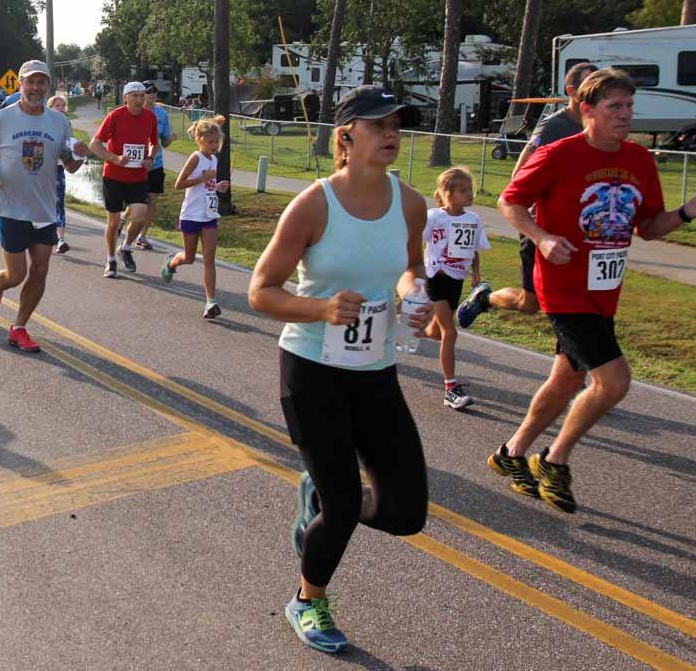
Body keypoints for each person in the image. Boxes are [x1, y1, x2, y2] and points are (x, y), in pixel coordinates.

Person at [487, 69, 696, 513]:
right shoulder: (558, 154)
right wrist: (541, 237)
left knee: (567, 378)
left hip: (604, 289)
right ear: (587, 110)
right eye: (614, 107)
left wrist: (688, 213)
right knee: (614, 381)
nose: (625, 115)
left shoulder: (640, 159)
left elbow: (651, 229)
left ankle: (511, 453)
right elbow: (510, 201)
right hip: (563, 288)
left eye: (629, 107)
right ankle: (554, 460)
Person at [247, 85, 433, 654]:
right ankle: (308, 600)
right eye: (379, 124)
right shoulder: (313, 205)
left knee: (406, 512)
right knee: (346, 505)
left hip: (375, 368)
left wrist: (414, 296)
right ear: (346, 137)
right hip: (311, 368)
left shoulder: (410, 202)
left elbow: (409, 267)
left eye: (397, 124)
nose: (392, 134)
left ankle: (318, 499)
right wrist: (321, 309)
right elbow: (260, 291)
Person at [457, 62, 598, 328]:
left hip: (576, 226)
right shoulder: (556, 125)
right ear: (571, 90)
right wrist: (525, 207)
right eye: (588, 84)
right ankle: (484, 298)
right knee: (530, 304)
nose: (595, 90)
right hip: (540, 224)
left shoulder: (596, 125)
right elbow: (523, 166)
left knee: (574, 299)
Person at [0, 60, 88, 352]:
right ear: (21, 84)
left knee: (39, 269)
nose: (36, 88)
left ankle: (19, 326)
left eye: (42, 82)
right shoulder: (2, 118)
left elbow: (71, 165)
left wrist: (82, 155)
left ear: (48, 86)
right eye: (31, 82)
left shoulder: (59, 121)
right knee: (16, 274)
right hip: (11, 207)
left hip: (44, 208)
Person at [421, 167, 491, 411]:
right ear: (447, 193)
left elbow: (472, 248)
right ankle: (450, 389)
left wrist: (476, 272)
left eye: (470, 190)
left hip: (457, 278)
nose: (469, 194)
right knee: (450, 333)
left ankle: (403, 328)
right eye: (463, 190)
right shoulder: (434, 217)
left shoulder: (473, 219)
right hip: (437, 278)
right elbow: (415, 240)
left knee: (437, 333)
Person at [161, 115, 231, 319]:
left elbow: (207, 186)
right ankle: (172, 263)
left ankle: (210, 302)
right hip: (191, 214)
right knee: (189, 258)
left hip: (208, 214)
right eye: (210, 142)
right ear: (200, 140)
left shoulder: (214, 159)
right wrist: (203, 178)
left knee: (210, 258)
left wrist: (217, 187)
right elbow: (179, 184)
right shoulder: (196, 158)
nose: (214, 146)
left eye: (216, 142)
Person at [88, 82, 159, 278]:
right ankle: (110, 260)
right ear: (126, 98)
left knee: (140, 215)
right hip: (114, 176)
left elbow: (155, 143)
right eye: (134, 95)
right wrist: (115, 158)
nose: (139, 99)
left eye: (141, 95)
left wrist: (151, 158)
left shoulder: (150, 117)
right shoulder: (115, 116)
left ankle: (125, 248)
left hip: (138, 176)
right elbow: (95, 144)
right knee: (113, 222)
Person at [129, 81, 174, 250]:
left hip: (156, 163)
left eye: (154, 92)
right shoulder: (134, 112)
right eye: (148, 92)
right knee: (137, 200)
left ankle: (143, 236)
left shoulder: (162, 114)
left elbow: (166, 141)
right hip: (136, 164)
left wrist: (171, 138)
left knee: (152, 200)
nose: (151, 95)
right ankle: (124, 220)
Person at [47, 93, 72, 254]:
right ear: (50, 108)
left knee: (58, 203)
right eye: (57, 106)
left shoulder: (67, 124)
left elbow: (71, 145)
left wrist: (76, 153)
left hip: (58, 169)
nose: (61, 108)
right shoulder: (43, 122)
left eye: (63, 106)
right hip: (40, 170)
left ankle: (61, 240)